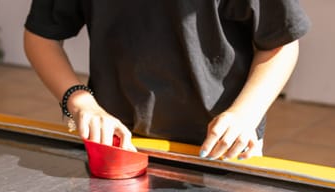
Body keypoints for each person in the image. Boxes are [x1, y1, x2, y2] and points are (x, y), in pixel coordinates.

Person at [23, 1, 310, 160]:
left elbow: (280, 43)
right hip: (118, 144)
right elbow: (41, 38)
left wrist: (245, 114)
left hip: (223, 148)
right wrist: (81, 102)